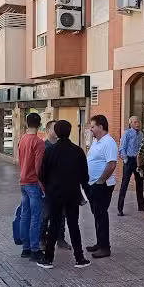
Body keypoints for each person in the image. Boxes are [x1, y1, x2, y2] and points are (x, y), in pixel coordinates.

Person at [38, 120, 91, 269]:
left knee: (54, 223)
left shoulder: (49, 151)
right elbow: (84, 176)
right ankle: (79, 258)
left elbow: (42, 174)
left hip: (54, 193)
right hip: (73, 192)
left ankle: (48, 259)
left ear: (56, 131)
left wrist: (50, 186)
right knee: (74, 224)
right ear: (69, 131)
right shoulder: (78, 151)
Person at [85, 114, 118, 259]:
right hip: (93, 184)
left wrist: (101, 181)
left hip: (102, 185)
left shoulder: (108, 142)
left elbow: (111, 164)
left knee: (102, 215)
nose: (91, 129)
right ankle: (99, 243)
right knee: (97, 214)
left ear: (101, 127)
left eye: (93, 126)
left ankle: (105, 247)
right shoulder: (96, 142)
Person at [18, 112, 46, 260]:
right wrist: (43, 186)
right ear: (39, 124)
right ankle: (35, 249)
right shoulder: (39, 142)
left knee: (25, 215)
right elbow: (38, 167)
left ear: (26, 124)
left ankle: (25, 248)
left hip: (23, 181)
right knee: (36, 217)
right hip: (34, 183)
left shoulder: (22, 139)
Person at [41, 120, 69, 252]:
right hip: (48, 187)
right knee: (46, 214)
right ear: (48, 131)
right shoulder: (43, 147)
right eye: (54, 128)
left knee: (62, 214)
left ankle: (61, 239)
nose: (57, 130)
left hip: (62, 187)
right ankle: (42, 238)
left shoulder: (62, 146)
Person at [116, 116, 144, 217]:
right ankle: (120, 208)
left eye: (138, 122)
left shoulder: (141, 134)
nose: (137, 124)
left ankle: (141, 205)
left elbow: (142, 148)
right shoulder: (127, 133)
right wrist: (125, 160)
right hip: (129, 161)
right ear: (130, 124)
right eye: (135, 122)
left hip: (138, 161)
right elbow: (122, 148)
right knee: (124, 184)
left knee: (140, 183)